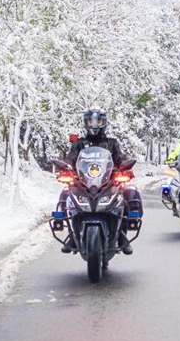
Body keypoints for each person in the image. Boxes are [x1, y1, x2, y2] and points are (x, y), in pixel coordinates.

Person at [58, 107, 141, 255]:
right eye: (91, 121)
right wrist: (66, 169)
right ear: (85, 123)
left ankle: (123, 237)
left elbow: (120, 159)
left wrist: (125, 169)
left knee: (129, 194)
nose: (94, 124)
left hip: (108, 183)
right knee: (65, 194)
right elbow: (70, 159)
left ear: (104, 122)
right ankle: (71, 234)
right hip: (83, 183)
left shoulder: (111, 143)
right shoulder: (79, 143)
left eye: (98, 121)